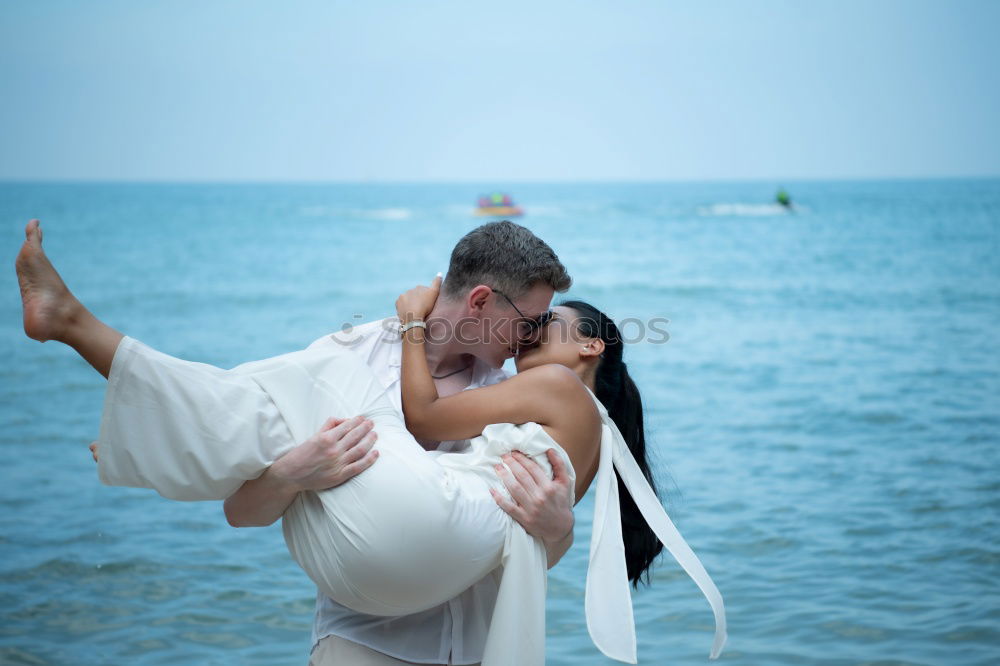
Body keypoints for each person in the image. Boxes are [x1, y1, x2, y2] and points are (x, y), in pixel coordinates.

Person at [16, 219, 726, 664]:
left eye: (543, 328)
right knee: (260, 410)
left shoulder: (510, 393)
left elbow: (521, 533)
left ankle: (150, 431)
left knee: (250, 408)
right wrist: (294, 472)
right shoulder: (352, 358)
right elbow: (242, 511)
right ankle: (132, 403)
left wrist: (559, 528)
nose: (526, 341)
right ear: (482, 302)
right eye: (528, 323)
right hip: (365, 647)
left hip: (472, 651)